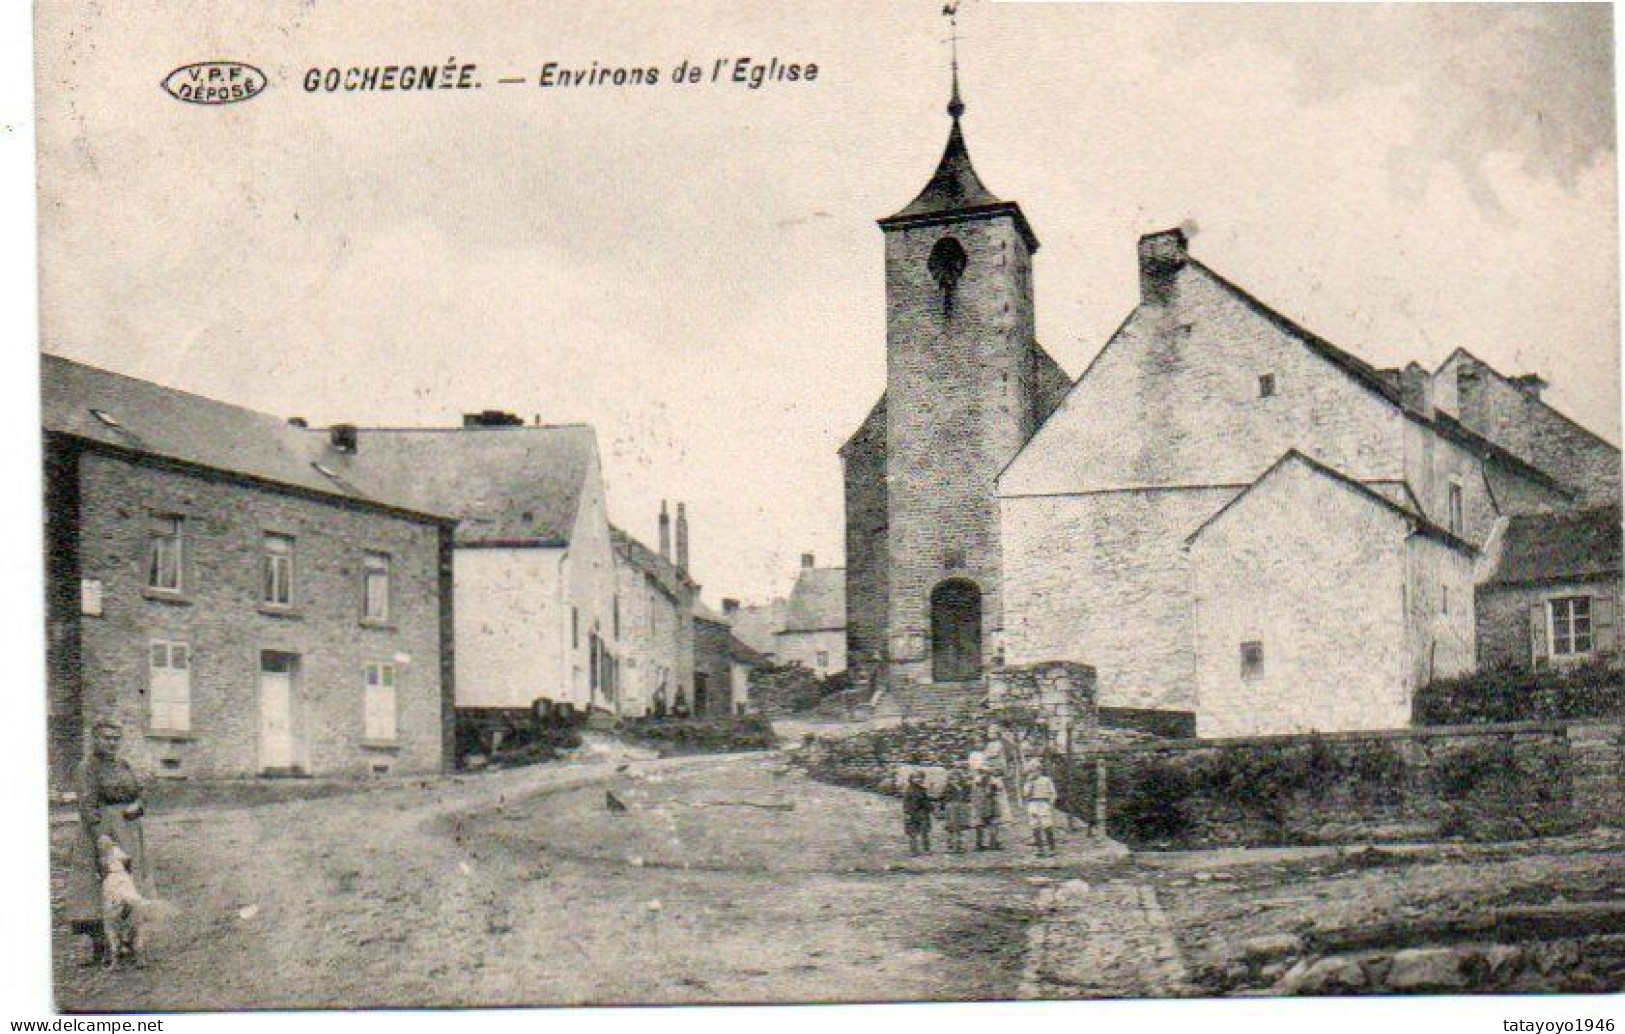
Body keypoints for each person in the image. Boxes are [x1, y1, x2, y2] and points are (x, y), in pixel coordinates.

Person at [65, 717, 151, 967]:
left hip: (130, 831)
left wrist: (138, 805)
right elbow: (87, 804)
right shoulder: (87, 768)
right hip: (101, 832)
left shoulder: (123, 765)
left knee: (131, 885)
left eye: (116, 738)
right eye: (107, 738)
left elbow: (140, 791)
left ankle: (131, 943)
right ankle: (101, 947)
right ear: (95, 739)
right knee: (96, 888)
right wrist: (100, 836)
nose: (112, 743)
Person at [1024, 759, 1060, 858]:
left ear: (1040, 770)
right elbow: (1026, 793)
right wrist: (1030, 782)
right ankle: (1040, 849)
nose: (1034, 772)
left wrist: (1051, 803)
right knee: (1035, 826)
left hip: (1044, 803)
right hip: (1032, 803)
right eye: (1032, 770)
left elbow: (1053, 793)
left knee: (1047, 825)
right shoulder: (1028, 781)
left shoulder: (1046, 780)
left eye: (1036, 770)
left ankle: (1052, 849)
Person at [970, 769, 1005, 851]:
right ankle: (990, 843)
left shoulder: (978, 781)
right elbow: (998, 789)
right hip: (989, 804)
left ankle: (981, 844)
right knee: (991, 823)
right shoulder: (993, 780)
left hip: (984, 804)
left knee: (983, 824)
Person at [940, 770, 972, 854]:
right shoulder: (947, 788)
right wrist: (943, 808)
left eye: (956, 779)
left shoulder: (964, 787)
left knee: (960, 828)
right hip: (951, 809)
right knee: (951, 828)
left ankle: (959, 846)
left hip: (961, 809)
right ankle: (950, 846)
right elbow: (943, 798)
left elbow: (967, 797)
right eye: (952, 779)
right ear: (949, 780)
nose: (954, 781)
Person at [902, 771, 933, 856]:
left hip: (922, 814)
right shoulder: (908, 790)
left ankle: (927, 849)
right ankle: (914, 851)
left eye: (920, 778)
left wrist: (931, 808)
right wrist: (907, 813)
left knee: (924, 832)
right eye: (915, 778)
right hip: (912, 814)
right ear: (911, 779)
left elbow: (926, 802)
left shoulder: (923, 790)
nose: (918, 779)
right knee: (913, 833)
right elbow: (905, 804)